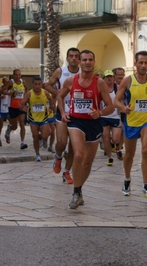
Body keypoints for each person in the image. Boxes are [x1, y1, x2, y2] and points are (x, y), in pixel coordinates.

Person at [57, 49, 114, 209]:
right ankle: (75, 192)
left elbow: (110, 106)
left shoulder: (100, 83)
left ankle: (79, 190)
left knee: (88, 163)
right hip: (75, 122)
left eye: (90, 59)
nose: (87, 62)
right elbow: (60, 96)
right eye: (84, 60)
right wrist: (63, 112)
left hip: (93, 124)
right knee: (79, 154)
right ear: (80, 62)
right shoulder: (70, 81)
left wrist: (100, 112)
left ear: (94, 62)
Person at [114, 51, 147, 197]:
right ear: (135, 63)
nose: (143, 65)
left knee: (146, 150)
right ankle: (127, 179)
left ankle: (146, 185)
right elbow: (116, 100)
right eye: (140, 62)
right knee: (129, 154)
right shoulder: (128, 81)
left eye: (146, 62)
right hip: (131, 121)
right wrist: (123, 108)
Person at [44, 47, 81, 184]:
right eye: (71, 56)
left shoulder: (83, 73)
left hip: (77, 114)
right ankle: (58, 156)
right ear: (67, 58)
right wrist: (58, 93)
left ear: (79, 59)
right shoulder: (61, 71)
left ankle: (66, 172)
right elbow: (47, 85)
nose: (73, 58)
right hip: (62, 111)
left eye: (76, 56)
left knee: (73, 147)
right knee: (61, 142)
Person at [18, 76, 54, 162]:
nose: (37, 86)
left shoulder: (45, 92)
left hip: (44, 118)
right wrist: (23, 108)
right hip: (33, 118)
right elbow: (21, 104)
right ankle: (37, 154)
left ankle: (42, 138)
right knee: (35, 137)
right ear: (33, 85)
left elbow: (51, 98)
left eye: (39, 84)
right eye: (35, 84)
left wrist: (51, 107)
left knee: (47, 134)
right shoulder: (29, 93)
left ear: (41, 84)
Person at [100, 70, 123, 166]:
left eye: (110, 76)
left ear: (113, 78)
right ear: (104, 79)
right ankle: (110, 157)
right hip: (104, 116)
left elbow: (123, 99)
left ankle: (117, 146)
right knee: (105, 136)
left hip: (115, 116)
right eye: (107, 77)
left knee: (116, 138)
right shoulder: (100, 88)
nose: (109, 78)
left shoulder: (117, 88)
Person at [5, 69, 29, 149]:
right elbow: (3, 90)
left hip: (21, 106)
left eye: (19, 75)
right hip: (12, 106)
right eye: (16, 75)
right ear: (13, 75)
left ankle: (22, 142)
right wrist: (10, 93)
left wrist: (25, 98)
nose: (18, 76)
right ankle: (9, 128)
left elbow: (27, 90)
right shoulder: (11, 82)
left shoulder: (23, 82)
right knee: (14, 127)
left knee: (22, 123)